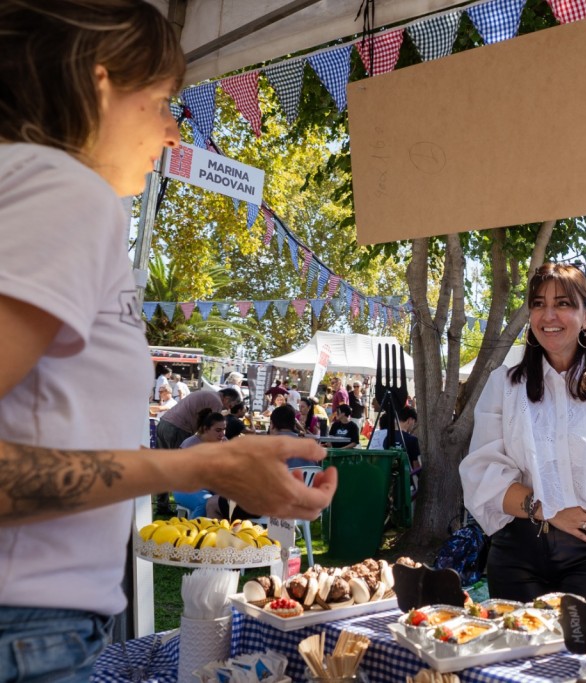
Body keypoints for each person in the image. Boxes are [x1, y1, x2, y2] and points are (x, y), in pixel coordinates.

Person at [0, 4, 336, 679]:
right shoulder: (63, 190)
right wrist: (205, 467)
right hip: (26, 629)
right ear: (99, 85)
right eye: (160, 100)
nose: (170, 127)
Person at [460, 263, 586, 608]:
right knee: (519, 659)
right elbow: (482, 474)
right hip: (519, 555)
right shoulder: (505, 384)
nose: (548, 315)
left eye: (563, 304)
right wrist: (549, 510)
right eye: (538, 304)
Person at [172, 410, 228, 518]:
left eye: (224, 429)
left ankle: (219, 532)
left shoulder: (224, 441)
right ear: (205, 429)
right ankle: (191, 532)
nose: (222, 434)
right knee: (205, 503)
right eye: (218, 430)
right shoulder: (190, 445)